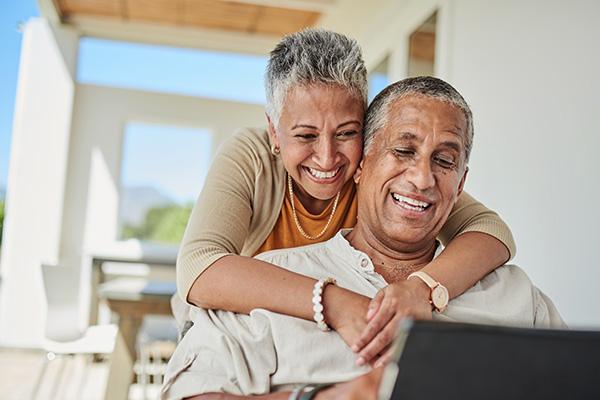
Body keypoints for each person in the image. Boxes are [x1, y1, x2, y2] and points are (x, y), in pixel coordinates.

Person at [161, 76, 563, 400]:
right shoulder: (261, 288)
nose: (422, 179)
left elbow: (494, 231)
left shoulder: (516, 297)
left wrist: (423, 290)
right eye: (403, 151)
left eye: (444, 161)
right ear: (360, 166)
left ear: (460, 186)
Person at [176, 29, 516, 365]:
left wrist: (422, 288)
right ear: (274, 132)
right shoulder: (252, 157)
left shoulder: (379, 174)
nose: (327, 158)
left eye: (347, 133)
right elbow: (199, 266)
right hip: (241, 332)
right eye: (306, 135)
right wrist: (333, 303)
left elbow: (490, 230)